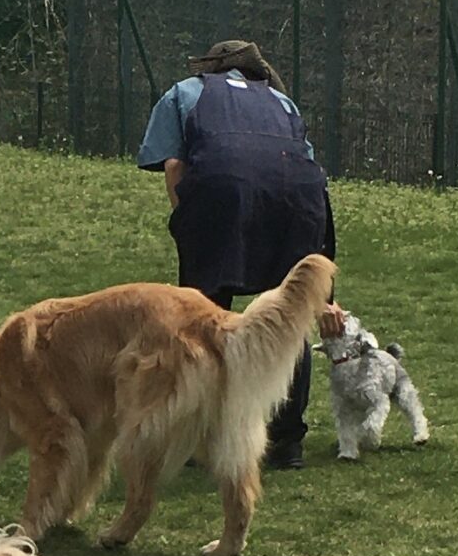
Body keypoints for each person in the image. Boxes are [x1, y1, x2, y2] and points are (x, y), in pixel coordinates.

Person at [137, 38, 344, 469]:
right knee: (290, 312)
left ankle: (202, 436)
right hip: (299, 200)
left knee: (203, 315)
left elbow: (174, 166)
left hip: (221, 193)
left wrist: (188, 223)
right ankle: (286, 441)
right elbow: (308, 170)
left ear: (210, 68)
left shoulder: (185, 93)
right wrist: (323, 294)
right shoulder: (282, 102)